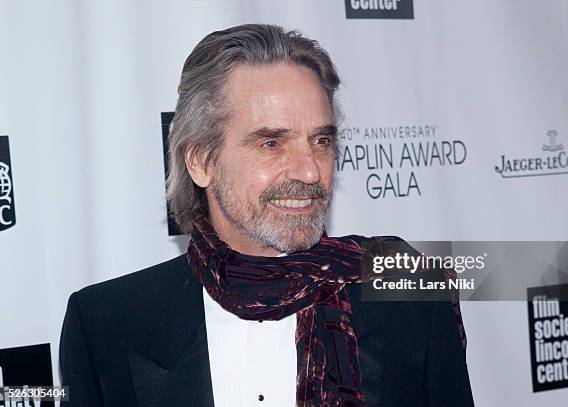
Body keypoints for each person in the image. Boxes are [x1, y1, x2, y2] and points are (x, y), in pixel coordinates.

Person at [59, 24, 474, 406]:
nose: (311, 170)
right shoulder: (105, 323)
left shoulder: (412, 298)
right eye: (272, 143)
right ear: (201, 161)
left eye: (321, 140)